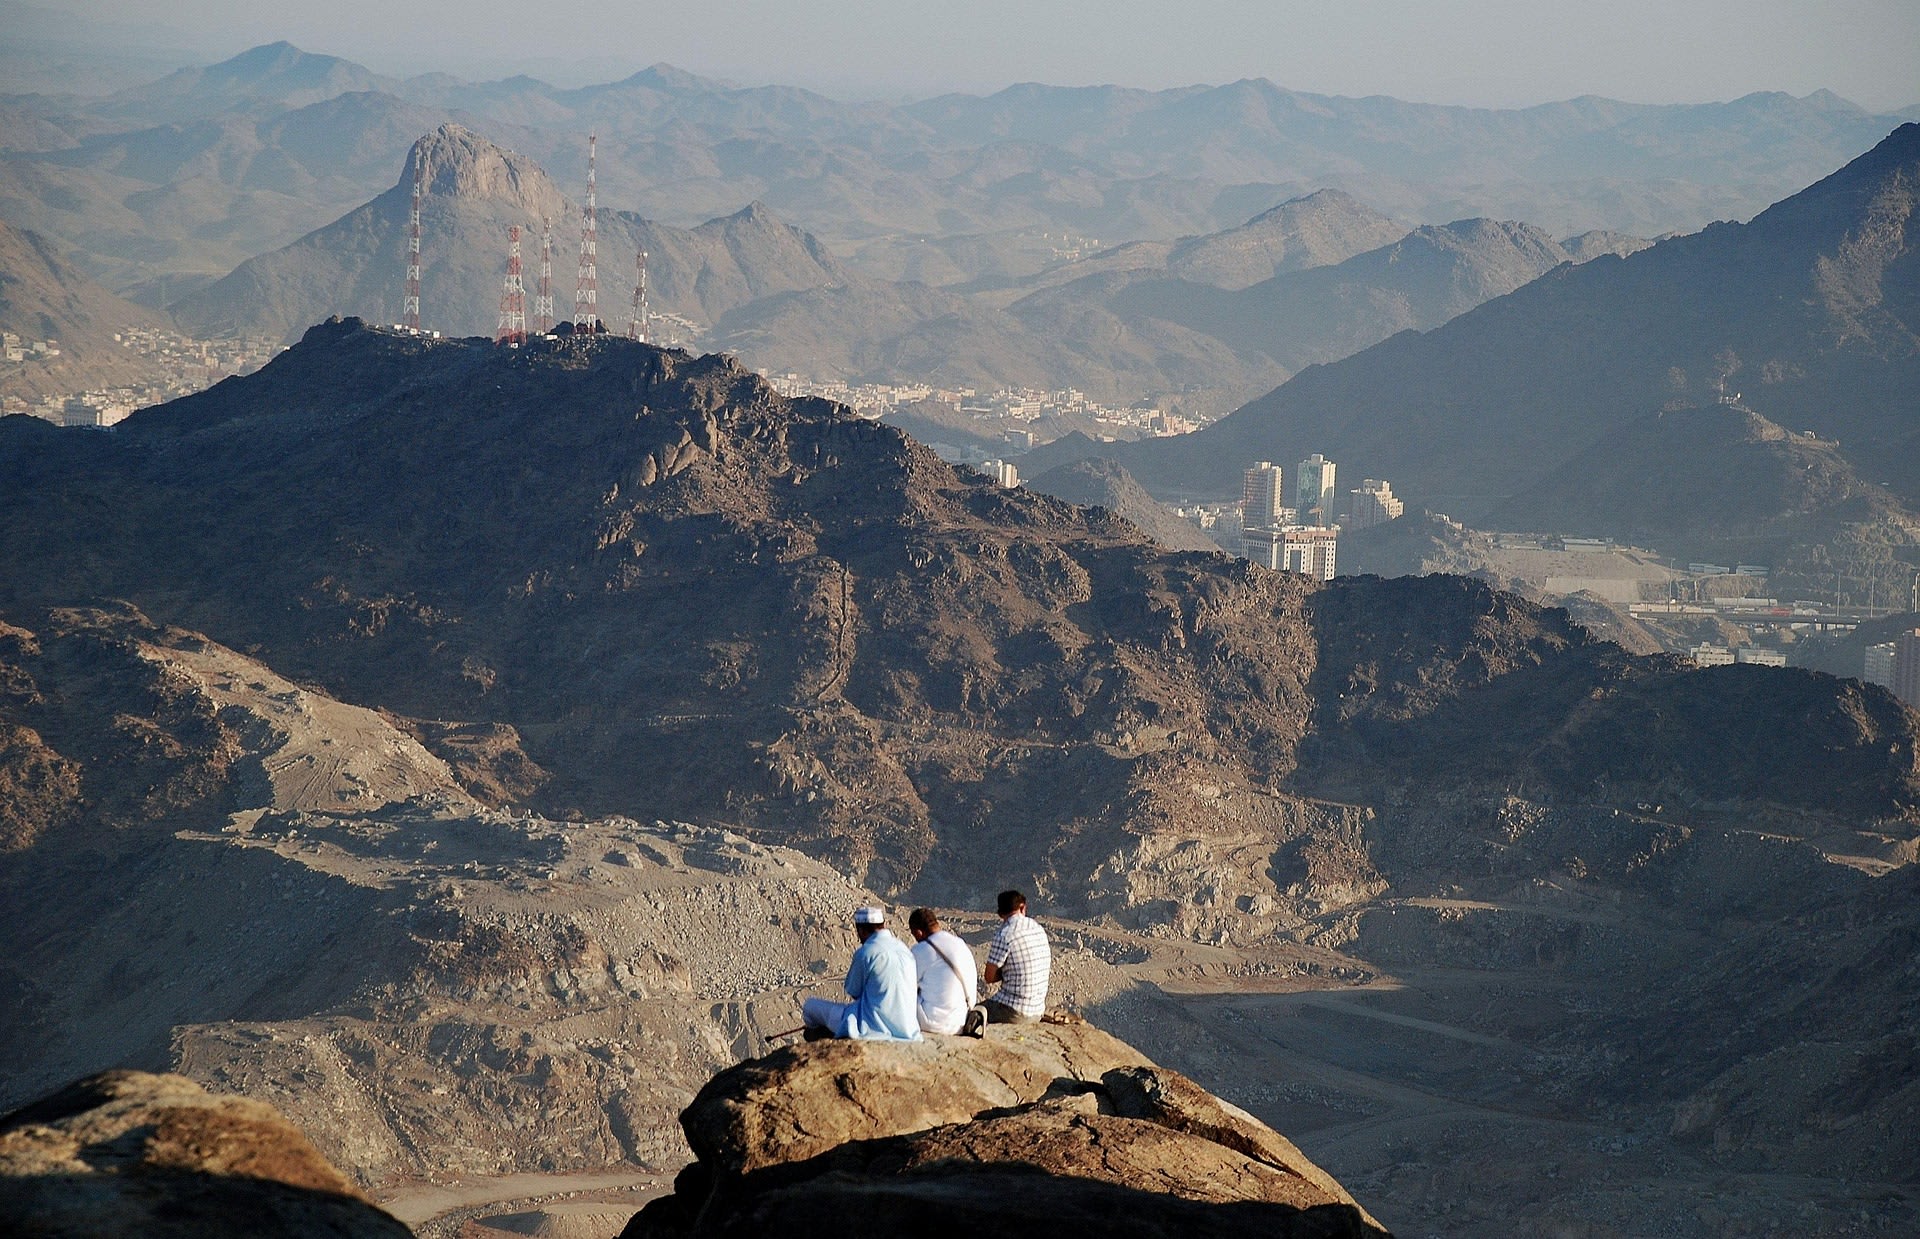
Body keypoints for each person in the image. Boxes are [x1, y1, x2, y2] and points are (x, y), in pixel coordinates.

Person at [801, 906, 921, 1041]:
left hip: (872, 1026)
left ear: (861, 931)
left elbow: (854, 992)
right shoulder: (903, 948)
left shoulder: (867, 952)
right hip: (908, 1028)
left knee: (810, 1006)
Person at [980, 889, 1050, 1026]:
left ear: (1000, 914)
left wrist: (1007, 971)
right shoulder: (1037, 928)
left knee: (975, 1012)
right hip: (1037, 1009)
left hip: (1014, 1012)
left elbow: (989, 977)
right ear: (1022, 907)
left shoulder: (1004, 935)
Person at [907, 907, 978, 1035]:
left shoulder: (922, 949)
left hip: (934, 1023)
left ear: (918, 933)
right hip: (963, 1020)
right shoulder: (960, 943)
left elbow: (905, 983)